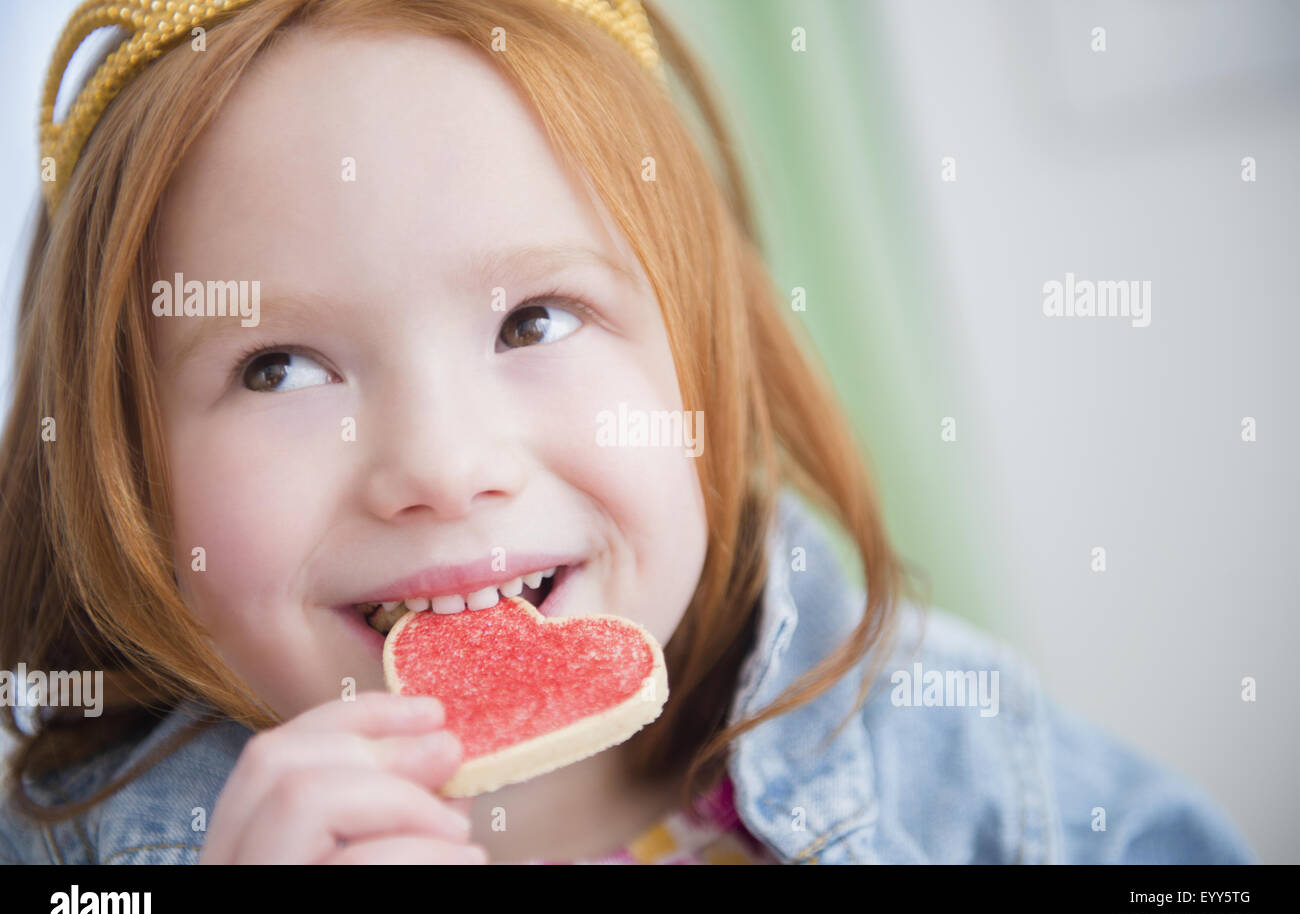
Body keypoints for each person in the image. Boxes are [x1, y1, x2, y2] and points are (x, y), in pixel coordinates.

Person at [0, 0, 1255, 864]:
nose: (441, 466)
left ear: (696, 358)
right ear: (123, 463)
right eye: (279, 366)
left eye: (536, 321)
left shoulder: (948, 741)